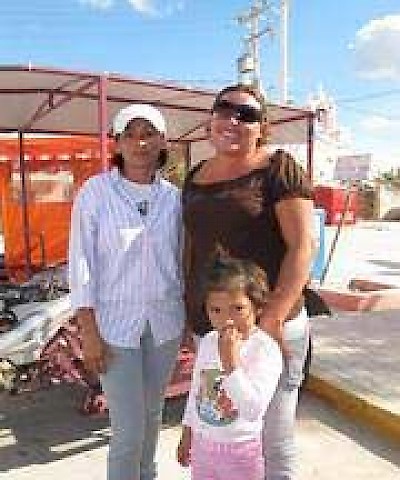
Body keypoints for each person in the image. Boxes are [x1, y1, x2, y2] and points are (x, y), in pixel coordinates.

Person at [182, 84, 315, 479]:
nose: (233, 120)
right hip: (211, 324)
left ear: (262, 127)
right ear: (211, 118)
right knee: (219, 424)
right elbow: (190, 247)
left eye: (247, 115)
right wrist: (189, 313)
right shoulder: (195, 175)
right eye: (225, 109)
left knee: (271, 440)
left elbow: (303, 247)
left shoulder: (278, 168)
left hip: (268, 326)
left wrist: (271, 320)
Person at [68, 103, 184, 480]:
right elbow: (81, 263)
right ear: (117, 143)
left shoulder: (174, 198)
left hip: (166, 324)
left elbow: (181, 259)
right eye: (130, 135)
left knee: (152, 416)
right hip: (114, 328)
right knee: (128, 431)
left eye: (148, 134)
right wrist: (88, 331)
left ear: (162, 141)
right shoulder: (96, 193)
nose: (140, 143)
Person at [177, 257, 283, 480]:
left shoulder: (265, 349)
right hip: (203, 447)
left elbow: (253, 410)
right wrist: (188, 432)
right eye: (216, 310)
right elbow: (197, 390)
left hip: (240, 452)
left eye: (238, 309)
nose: (227, 319)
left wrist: (230, 363)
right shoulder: (208, 341)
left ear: (257, 307)